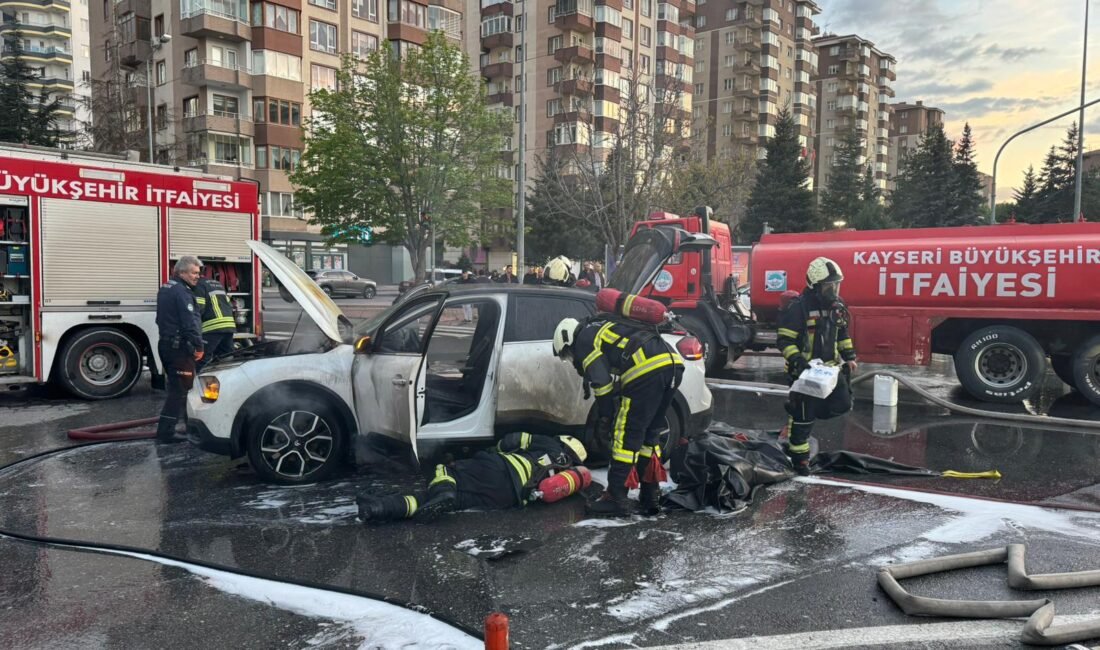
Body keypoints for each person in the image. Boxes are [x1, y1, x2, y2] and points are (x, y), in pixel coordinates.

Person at [552, 314, 684, 516]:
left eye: (568, 354)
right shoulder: (600, 328)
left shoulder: (585, 340)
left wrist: (607, 416)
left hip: (645, 370)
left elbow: (602, 384)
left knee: (626, 434)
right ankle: (650, 495)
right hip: (673, 366)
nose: (572, 359)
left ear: (568, 339)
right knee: (649, 435)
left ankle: (615, 498)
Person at [356, 433, 589, 522]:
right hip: (509, 498)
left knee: (444, 472)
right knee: (447, 500)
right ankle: (381, 507)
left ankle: (443, 491)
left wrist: (492, 451)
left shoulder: (549, 442)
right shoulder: (569, 472)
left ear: (566, 441)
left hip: (501, 469)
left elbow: (512, 441)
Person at [777, 256, 857, 476]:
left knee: (843, 403)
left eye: (836, 284)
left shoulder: (836, 307)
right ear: (815, 286)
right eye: (829, 286)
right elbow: (784, 341)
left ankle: (795, 410)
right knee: (803, 419)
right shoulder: (798, 309)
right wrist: (799, 361)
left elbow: (842, 334)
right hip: (804, 374)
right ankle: (800, 461)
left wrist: (849, 357)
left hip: (829, 370)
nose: (834, 290)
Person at [155, 256, 205, 444]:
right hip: (179, 349)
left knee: (181, 388)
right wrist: (199, 345)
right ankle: (166, 432)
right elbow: (189, 322)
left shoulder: (166, 288)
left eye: (198, 273)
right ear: (181, 272)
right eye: (194, 273)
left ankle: (187, 426)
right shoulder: (182, 292)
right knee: (179, 391)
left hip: (167, 345)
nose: (197, 277)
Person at [193, 275, 236, 371]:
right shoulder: (217, 284)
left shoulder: (199, 285)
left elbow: (198, 308)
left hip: (213, 327)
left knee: (201, 359)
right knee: (226, 358)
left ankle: (195, 383)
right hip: (228, 325)